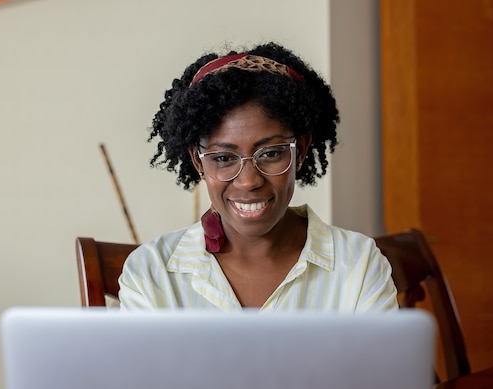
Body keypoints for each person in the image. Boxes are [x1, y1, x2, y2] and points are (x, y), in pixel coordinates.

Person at [118, 42, 397, 311]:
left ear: (299, 151)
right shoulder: (151, 272)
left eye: (270, 153)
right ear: (197, 160)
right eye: (224, 158)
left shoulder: (358, 265)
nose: (249, 181)